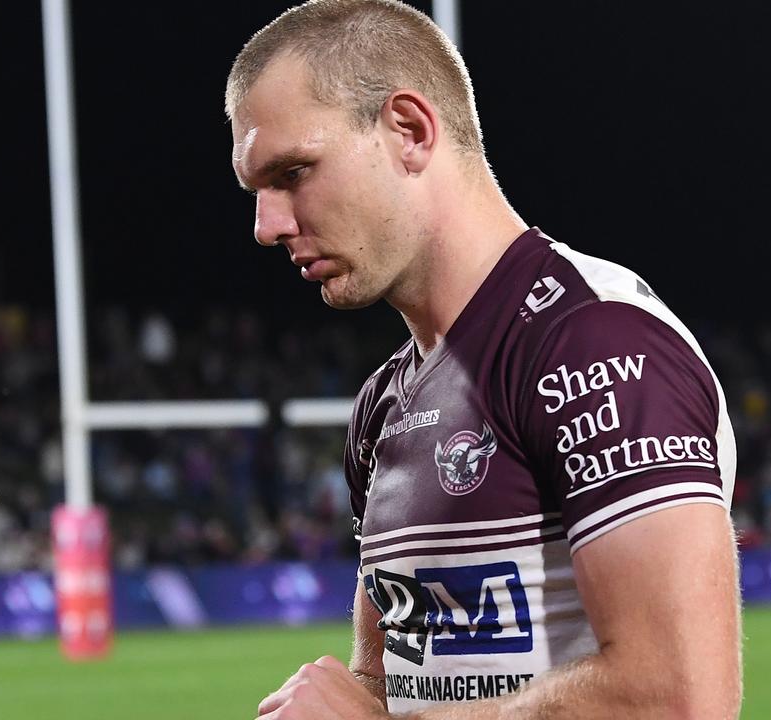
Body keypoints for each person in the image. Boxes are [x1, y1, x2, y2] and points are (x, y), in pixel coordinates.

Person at [226, 1, 742, 717]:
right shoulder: (383, 406)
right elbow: (392, 687)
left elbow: (674, 699)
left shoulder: (592, 339)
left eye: (293, 172)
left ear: (408, 131)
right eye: (257, 191)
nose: (267, 226)